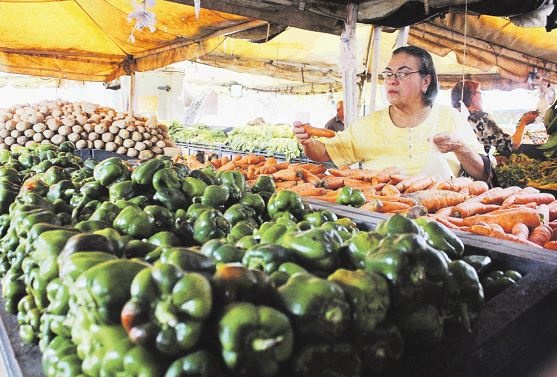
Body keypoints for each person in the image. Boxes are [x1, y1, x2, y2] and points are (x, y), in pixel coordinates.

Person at [293, 46, 491, 183]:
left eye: (403, 73)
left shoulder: (450, 117)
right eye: (388, 74)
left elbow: (483, 174)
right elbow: (326, 153)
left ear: (426, 82)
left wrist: (459, 147)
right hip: (381, 212)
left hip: (440, 212)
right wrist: (308, 143)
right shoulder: (368, 124)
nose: (392, 80)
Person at [450, 80, 539, 156]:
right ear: (471, 96)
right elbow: (512, 145)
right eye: (479, 93)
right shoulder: (481, 118)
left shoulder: (452, 116)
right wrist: (524, 122)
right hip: (476, 170)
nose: (482, 97)